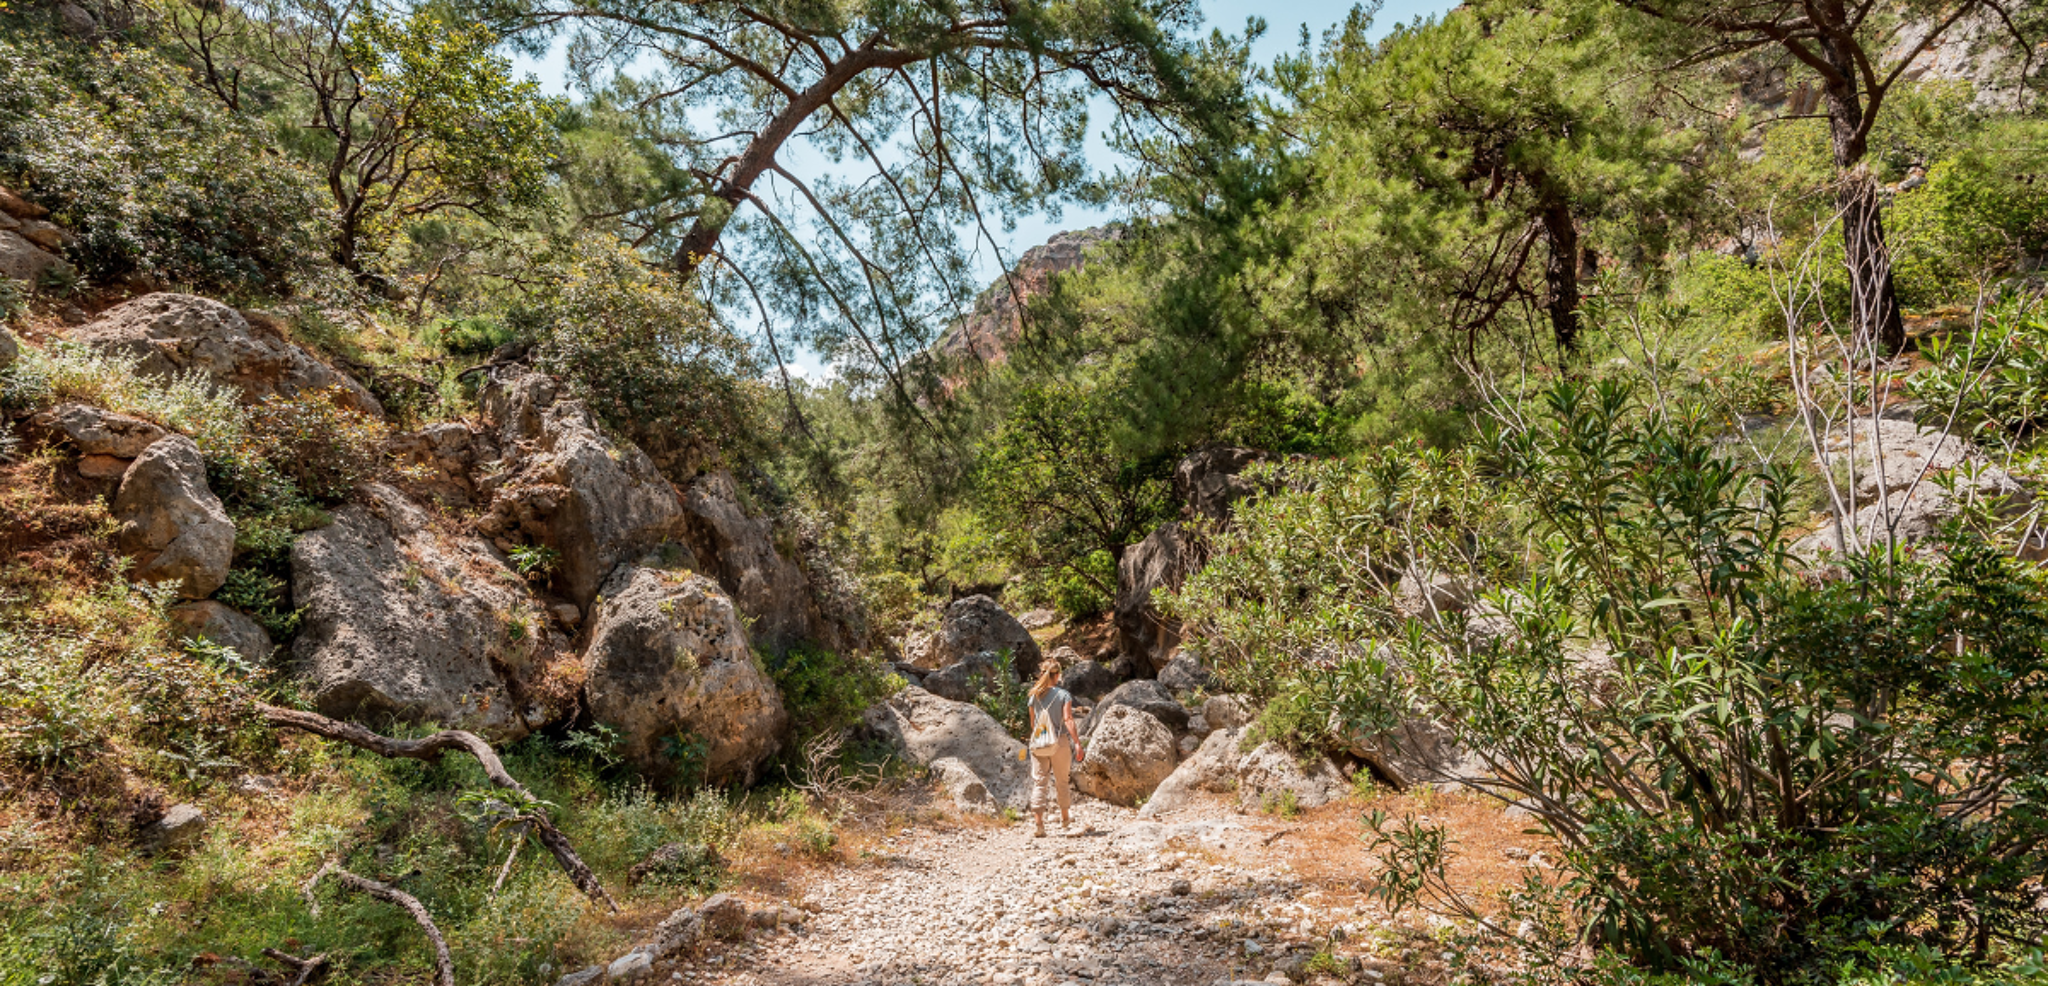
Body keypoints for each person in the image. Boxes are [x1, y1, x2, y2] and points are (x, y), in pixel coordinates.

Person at [1026, 659, 1084, 837]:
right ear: (1057, 675)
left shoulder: (1033, 695)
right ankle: (1065, 821)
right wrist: (1077, 742)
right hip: (1059, 742)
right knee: (1062, 781)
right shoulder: (1063, 695)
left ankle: (1039, 825)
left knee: (1040, 781)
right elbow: (1068, 720)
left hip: (1038, 743)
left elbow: (1033, 723)